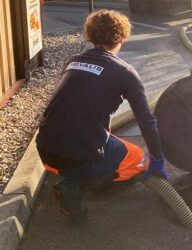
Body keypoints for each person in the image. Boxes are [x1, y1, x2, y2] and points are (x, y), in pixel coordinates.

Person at [36, 10, 167, 222]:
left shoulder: (74, 60)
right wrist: (158, 159)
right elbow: (146, 121)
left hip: (46, 151)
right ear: (121, 38)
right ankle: (78, 183)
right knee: (137, 158)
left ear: (91, 35)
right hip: (75, 157)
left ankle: (76, 173)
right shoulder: (124, 71)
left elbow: (76, 106)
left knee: (99, 139)